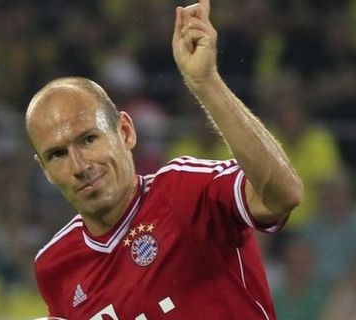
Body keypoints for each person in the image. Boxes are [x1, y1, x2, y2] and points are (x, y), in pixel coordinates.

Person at [25, 1, 303, 319]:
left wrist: (206, 82)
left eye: (89, 139)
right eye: (57, 154)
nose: (79, 166)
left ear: (126, 132)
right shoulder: (55, 265)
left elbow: (283, 195)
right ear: (44, 170)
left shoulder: (184, 190)